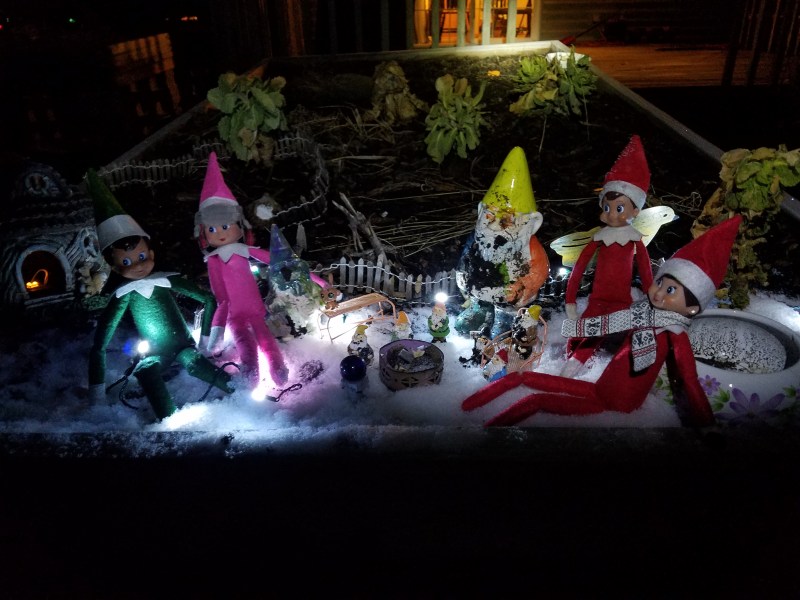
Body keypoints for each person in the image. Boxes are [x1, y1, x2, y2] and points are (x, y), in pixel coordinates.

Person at [462, 215, 742, 428]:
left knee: (536, 401)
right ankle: (464, 408)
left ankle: (484, 436)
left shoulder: (675, 335)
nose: (658, 292)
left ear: (692, 307)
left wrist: (708, 425)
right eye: (660, 283)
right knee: (522, 378)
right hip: (600, 388)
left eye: (671, 290)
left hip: (617, 405)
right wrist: (575, 328)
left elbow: (690, 381)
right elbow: (606, 325)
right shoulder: (641, 314)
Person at [86, 169, 233, 421]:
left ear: (151, 254)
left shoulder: (166, 280)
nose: (138, 265)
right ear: (115, 267)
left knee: (195, 364)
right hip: (157, 352)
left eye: (142, 256)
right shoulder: (124, 294)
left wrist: (207, 341)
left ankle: (239, 391)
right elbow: (100, 344)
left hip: (184, 345)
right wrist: (96, 392)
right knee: (145, 371)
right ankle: (169, 421)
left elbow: (208, 299)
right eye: (127, 261)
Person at [564, 135, 654, 367]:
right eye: (607, 207)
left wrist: (650, 299)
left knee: (625, 339)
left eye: (620, 208)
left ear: (635, 212)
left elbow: (646, 272)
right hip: (597, 301)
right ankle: (575, 359)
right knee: (581, 335)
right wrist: (570, 300)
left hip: (623, 302)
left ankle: (619, 364)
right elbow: (578, 269)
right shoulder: (599, 238)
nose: (612, 214)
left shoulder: (635, 240)